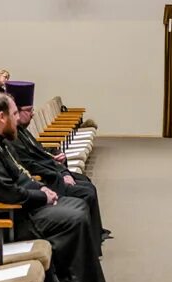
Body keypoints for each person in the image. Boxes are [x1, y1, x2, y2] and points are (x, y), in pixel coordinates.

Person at [0, 93, 108, 282]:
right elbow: (7, 193)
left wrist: (41, 188)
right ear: (1, 116)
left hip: (19, 210)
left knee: (78, 205)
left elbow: (19, 176)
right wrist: (42, 196)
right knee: (73, 217)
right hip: (6, 221)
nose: (17, 118)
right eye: (13, 114)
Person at [6, 80, 111, 252]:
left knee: (85, 182)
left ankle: (94, 235)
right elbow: (29, 165)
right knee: (85, 191)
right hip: (45, 180)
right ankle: (90, 242)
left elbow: (39, 152)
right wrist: (60, 173)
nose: (32, 114)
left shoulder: (22, 130)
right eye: (28, 111)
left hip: (51, 172)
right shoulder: (11, 138)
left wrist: (58, 163)